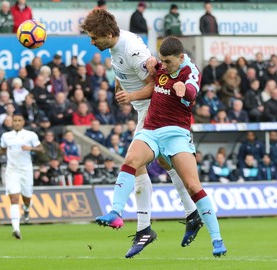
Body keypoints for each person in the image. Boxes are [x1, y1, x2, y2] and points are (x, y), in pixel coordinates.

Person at [81, 10, 204, 258]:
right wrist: (120, 82)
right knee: (166, 162)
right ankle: (192, 213)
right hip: (144, 111)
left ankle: (141, 226)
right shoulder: (118, 48)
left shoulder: (132, 50)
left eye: (94, 37)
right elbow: (128, 72)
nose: (92, 42)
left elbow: (159, 85)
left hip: (154, 110)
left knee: (134, 162)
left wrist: (131, 96)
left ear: (107, 34)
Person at [95, 35, 227, 257]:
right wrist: (153, 65)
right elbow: (153, 71)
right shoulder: (161, 67)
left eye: (167, 62)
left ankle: (216, 239)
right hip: (151, 131)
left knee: (193, 185)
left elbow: (193, 90)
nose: (162, 66)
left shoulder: (190, 71)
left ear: (181, 57)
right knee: (131, 160)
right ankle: (115, 211)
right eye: (162, 60)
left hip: (176, 134)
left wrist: (185, 90)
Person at [0, 114, 44, 239]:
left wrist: (30, 148)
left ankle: (26, 209)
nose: (16, 123)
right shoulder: (6, 136)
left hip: (26, 170)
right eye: (14, 121)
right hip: (12, 170)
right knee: (14, 199)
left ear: (23, 122)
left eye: (19, 120)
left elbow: (41, 149)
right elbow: (3, 149)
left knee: (26, 198)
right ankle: (16, 228)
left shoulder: (30, 135)